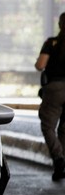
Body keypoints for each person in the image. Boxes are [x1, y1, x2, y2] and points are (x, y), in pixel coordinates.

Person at [35, 12, 65, 181]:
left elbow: (40, 65)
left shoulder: (51, 43)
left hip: (55, 89)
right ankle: (62, 163)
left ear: (60, 25)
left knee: (48, 127)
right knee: (64, 129)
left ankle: (59, 159)